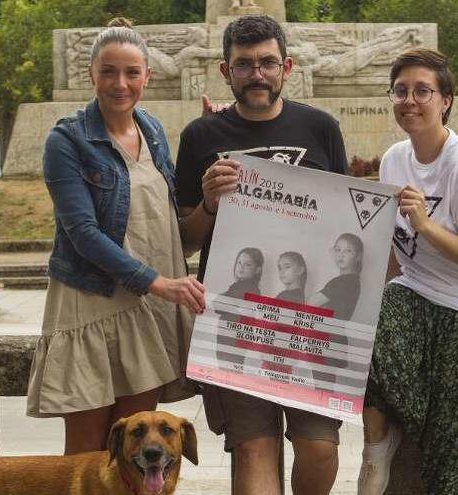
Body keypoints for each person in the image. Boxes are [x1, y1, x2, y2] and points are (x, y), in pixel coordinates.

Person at [175, 15, 348, 495]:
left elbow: (346, 223)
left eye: (268, 62)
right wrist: (209, 204)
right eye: (244, 64)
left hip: (312, 318)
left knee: (319, 446)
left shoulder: (321, 128)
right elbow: (186, 241)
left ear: (286, 67)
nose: (258, 73)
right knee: (253, 445)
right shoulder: (199, 137)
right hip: (236, 318)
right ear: (225, 71)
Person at [25, 17, 206, 455]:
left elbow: (167, 225)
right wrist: (160, 283)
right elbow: (83, 233)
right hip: (93, 306)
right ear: (91, 75)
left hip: (145, 310)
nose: (120, 83)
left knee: (135, 455)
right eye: (108, 71)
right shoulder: (67, 140)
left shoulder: (154, 131)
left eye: (131, 72)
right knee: (87, 459)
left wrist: (212, 138)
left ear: (147, 76)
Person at [357, 48, 458, 495]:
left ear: (445, 99)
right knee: (361, 323)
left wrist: (425, 224)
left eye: (423, 91)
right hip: (418, 289)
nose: (410, 100)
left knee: (454, 452)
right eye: (401, 90)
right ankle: (376, 452)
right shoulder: (394, 159)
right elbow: (396, 247)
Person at [307, 233, 363, 320]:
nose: (341, 254)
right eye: (338, 250)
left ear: (358, 256)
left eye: (348, 251)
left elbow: (311, 303)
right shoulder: (354, 280)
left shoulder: (345, 282)